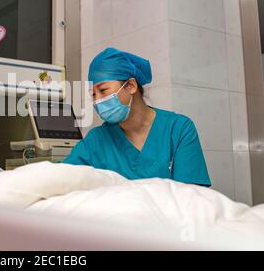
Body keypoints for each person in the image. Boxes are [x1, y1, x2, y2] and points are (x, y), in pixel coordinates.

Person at [64, 47, 211, 186]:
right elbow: (60, 177)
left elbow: (192, 198)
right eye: (93, 95)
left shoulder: (178, 129)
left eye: (103, 90)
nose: (97, 101)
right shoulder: (97, 140)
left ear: (131, 86)